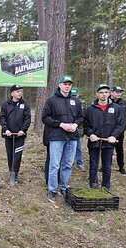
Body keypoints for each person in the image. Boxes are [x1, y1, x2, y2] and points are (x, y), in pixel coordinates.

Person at [42, 75, 83, 203]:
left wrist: (75, 125)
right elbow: (45, 118)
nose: (67, 86)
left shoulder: (76, 101)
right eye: (65, 84)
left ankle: (63, 187)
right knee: (54, 165)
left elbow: (81, 117)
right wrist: (61, 125)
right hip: (56, 137)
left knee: (67, 165)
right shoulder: (51, 101)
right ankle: (52, 190)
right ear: (59, 85)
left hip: (72, 137)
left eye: (69, 84)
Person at [84, 84, 125, 189]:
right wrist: (90, 134)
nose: (104, 95)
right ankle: (93, 185)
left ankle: (106, 186)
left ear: (109, 93)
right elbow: (86, 124)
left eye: (106, 92)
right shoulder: (90, 109)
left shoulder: (116, 108)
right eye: (101, 92)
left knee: (107, 166)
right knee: (93, 165)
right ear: (97, 94)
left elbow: (121, 124)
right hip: (94, 142)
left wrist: (114, 136)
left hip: (108, 142)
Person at [0, 85, 31, 186]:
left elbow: (27, 118)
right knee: (10, 154)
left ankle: (15, 175)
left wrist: (23, 130)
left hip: (20, 135)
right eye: (17, 91)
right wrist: (6, 129)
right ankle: (11, 173)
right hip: (8, 135)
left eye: (20, 91)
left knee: (17, 155)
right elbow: (2, 118)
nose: (19, 93)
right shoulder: (6, 104)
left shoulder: (25, 104)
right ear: (12, 93)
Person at [110, 86, 126, 176]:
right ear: (112, 92)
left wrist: (123, 128)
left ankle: (121, 167)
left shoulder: (123, 103)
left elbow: (124, 117)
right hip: (109, 131)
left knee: (119, 149)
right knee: (108, 149)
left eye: (120, 92)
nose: (119, 94)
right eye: (117, 92)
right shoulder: (107, 101)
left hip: (120, 131)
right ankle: (105, 166)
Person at [71, 87, 86, 172]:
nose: (74, 96)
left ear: (78, 95)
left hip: (80, 130)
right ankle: (70, 163)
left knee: (79, 148)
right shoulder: (67, 102)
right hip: (69, 129)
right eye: (72, 95)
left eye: (75, 95)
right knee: (69, 148)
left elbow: (85, 116)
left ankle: (79, 163)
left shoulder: (83, 103)